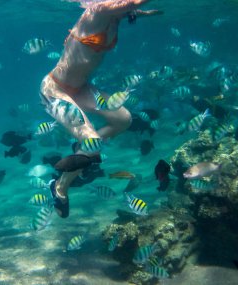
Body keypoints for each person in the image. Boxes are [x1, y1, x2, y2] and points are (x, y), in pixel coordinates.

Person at [40, 0, 163, 218]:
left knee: (123, 119)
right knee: (92, 143)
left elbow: (129, 7)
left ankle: (84, 149)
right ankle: (59, 186)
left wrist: (141, 14)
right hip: (55, 90)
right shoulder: (99, 9)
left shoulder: (115, 14)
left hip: (82, 88)